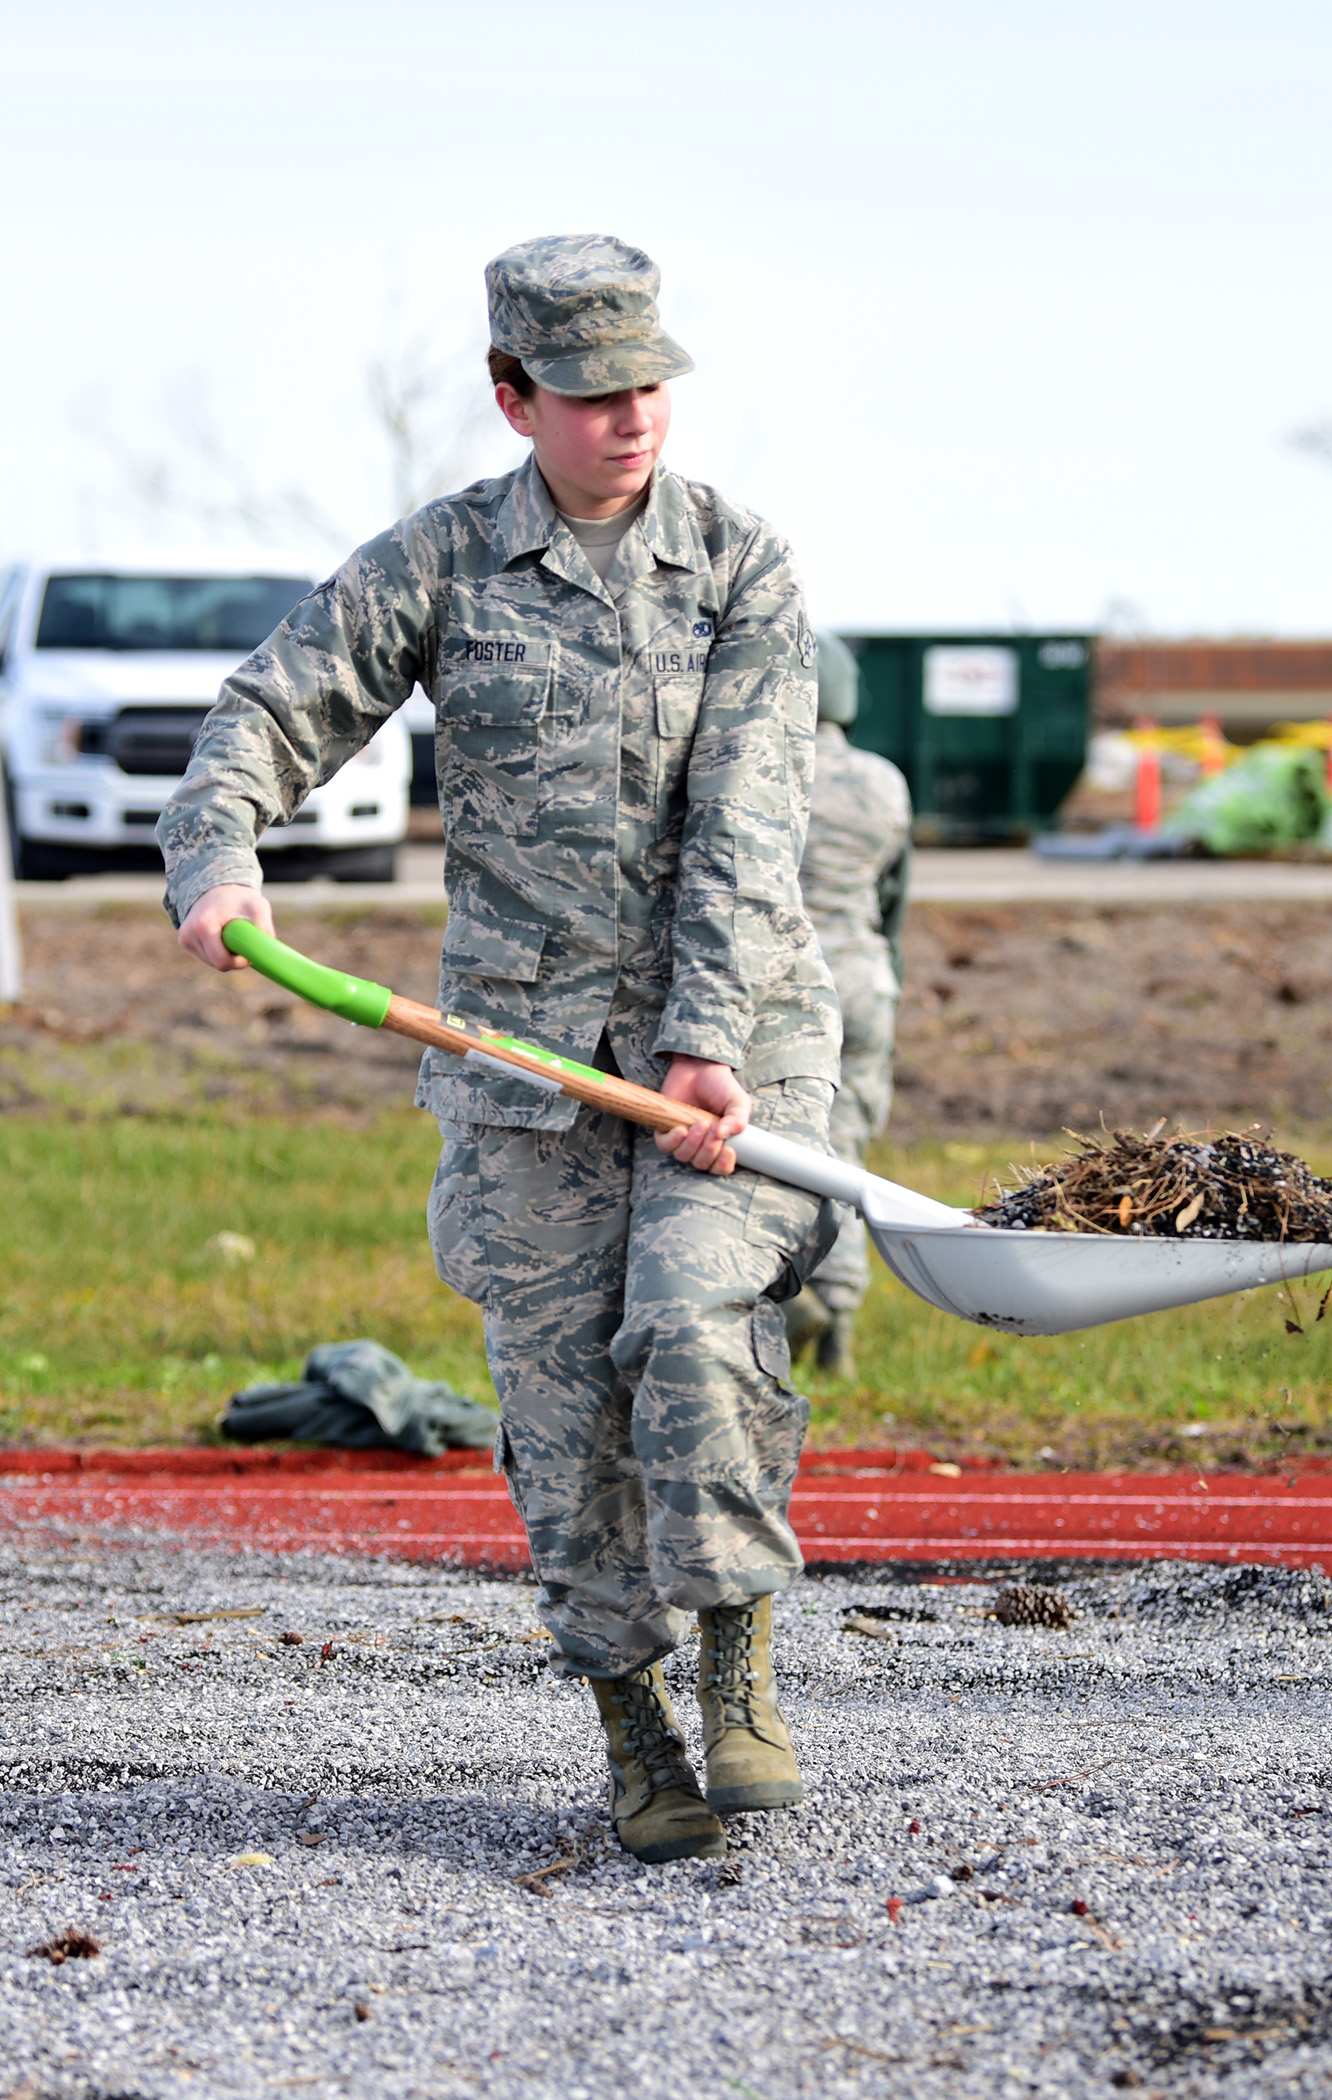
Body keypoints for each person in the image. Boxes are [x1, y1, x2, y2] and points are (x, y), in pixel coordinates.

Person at [160, 235, 841, 1866]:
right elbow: (276, 704)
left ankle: (739, 1663)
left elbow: (751, 830)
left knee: (694, 1331)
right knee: (556, 1405)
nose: (631, 419)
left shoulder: (741, 565)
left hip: (732, 1037)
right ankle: (632, 1726)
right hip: (523, 1061)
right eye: (594, 394)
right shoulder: (450, 562)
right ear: (513, 396)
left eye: (650, 387)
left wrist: (697, 1044)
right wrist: (219, 853)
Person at [780, 632, 912, 1379]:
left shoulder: (761, 766)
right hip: (864, 982)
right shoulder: (884, 782)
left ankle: (787, 1297)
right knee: (846, 1153)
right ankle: (841, 1334)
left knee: (766, 1151)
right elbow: (894, 900)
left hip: (784, 982)